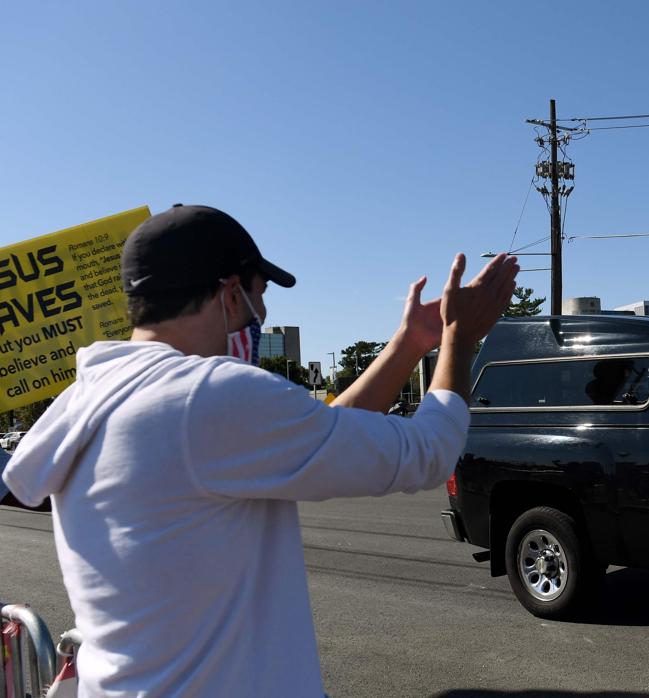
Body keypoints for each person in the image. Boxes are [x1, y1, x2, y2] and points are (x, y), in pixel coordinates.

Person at [1, 204, 518, 696]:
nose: (263, 312)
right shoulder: (205, 397)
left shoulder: (93, 398)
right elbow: (426, 452)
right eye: (260, 293)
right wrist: (459, 338)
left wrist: (409, 344)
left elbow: (326, 429)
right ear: (230, 294)